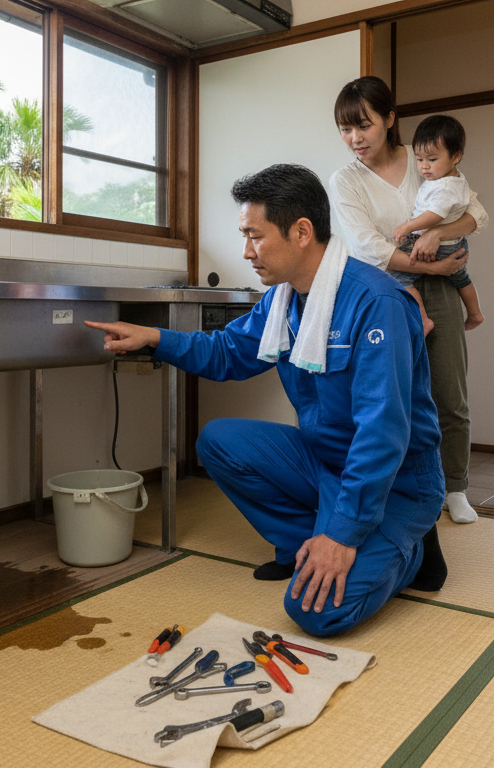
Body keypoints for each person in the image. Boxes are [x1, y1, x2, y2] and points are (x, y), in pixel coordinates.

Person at [84, 164, 448, 637]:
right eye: (244, 236)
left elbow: (383, 433)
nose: (246, 252)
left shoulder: (375, 303)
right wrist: (153, 336)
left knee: (314, 612)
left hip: (397, 480)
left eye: (255, 236)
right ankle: (307, 543)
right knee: (218, 440)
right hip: (326, 462)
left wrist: (343, 536)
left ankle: (411, 548)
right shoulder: (283, 303)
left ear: (301, 232)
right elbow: (225, 353)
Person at [328, 76, 487, 525]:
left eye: (364, 126)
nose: (354, 138)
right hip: (382, 291)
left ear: (390, 119)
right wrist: (428, 265)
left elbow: (475, 212)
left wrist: (441, 232)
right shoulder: (346, 180)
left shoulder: (424, 157)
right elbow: (365, 247)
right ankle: (407, 490)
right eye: (345, 129)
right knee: (392, 400)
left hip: (438, 288)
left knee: (449, 393)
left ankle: (455, 488)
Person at [390, 114, 486, 333]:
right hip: (457, 243)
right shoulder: (456, 178)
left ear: (456, 156)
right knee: (461, 278)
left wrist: (408, 226)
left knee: (397, 277)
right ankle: (475, 313)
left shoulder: (444, 187)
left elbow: (435, 215)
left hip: (438, 246)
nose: (424, 167)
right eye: (419, 159)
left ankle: (423, 319)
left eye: (432, 160)